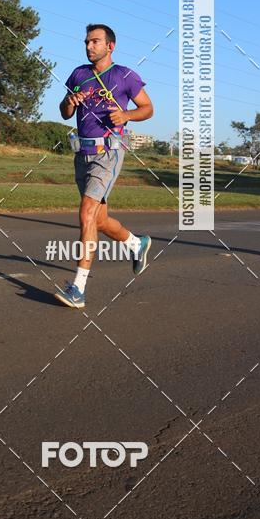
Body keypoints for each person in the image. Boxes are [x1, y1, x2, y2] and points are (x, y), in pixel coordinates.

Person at [55, 23, 154, 309]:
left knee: (86, 213)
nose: (89, 46)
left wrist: (126, 115)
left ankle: (78, 288)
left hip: (108, 153)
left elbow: (148, 109)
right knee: (98, 220)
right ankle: (137, 244)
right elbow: (64, 112)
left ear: (110, 46)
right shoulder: (79, 74)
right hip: (82, 154)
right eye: (87, 42)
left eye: (95, 41)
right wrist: (70, 101)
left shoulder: (125, 76)